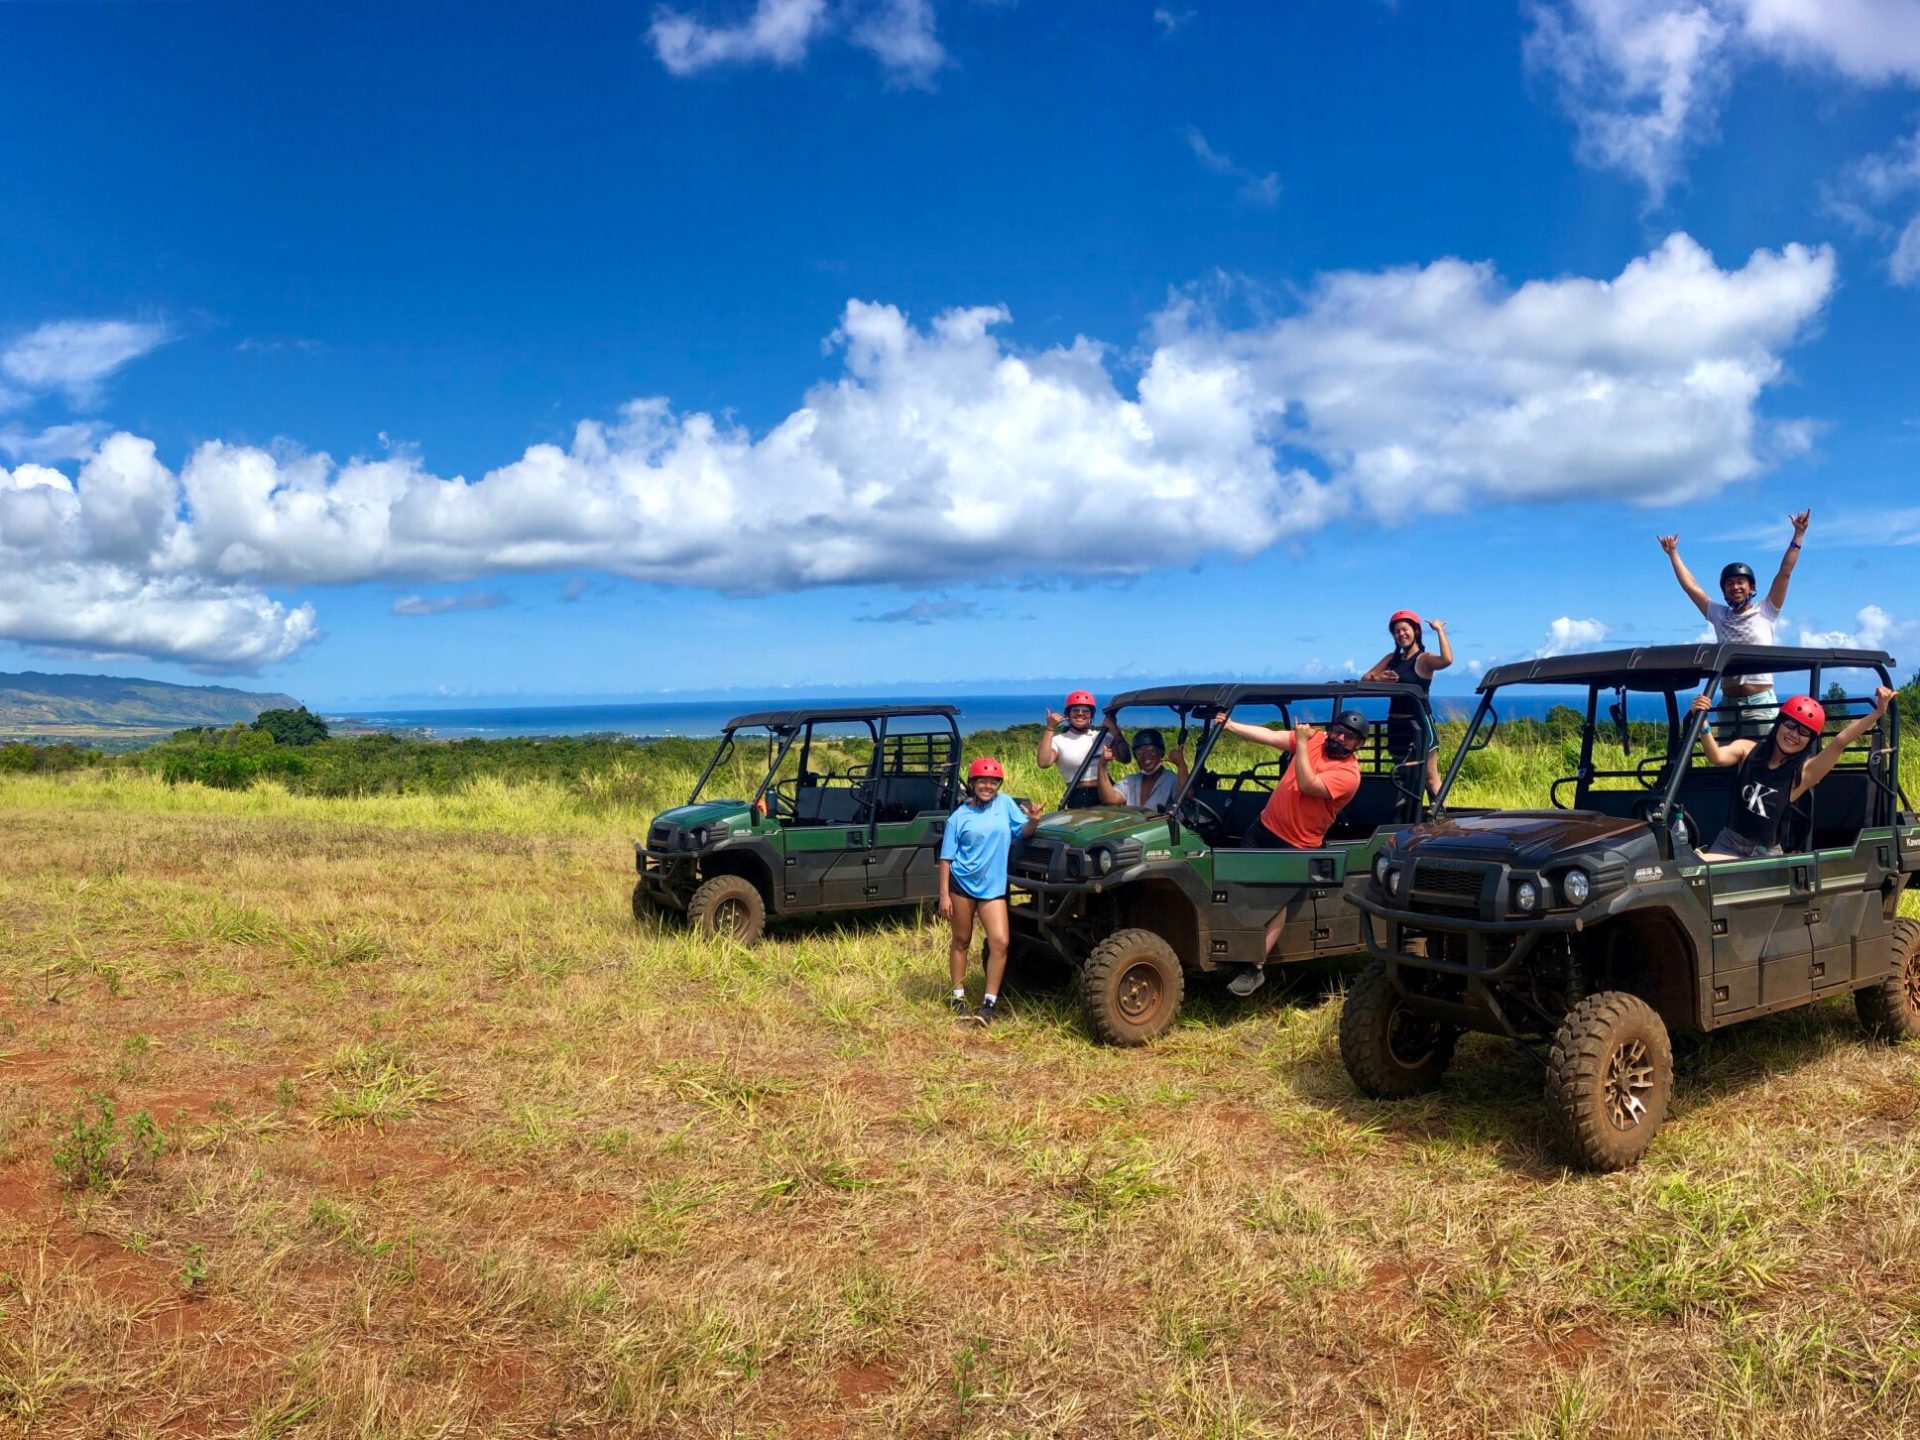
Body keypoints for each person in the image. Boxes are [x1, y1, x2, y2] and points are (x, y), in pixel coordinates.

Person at [1208, 708, 1367, 995]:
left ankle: (1254, 966)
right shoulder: (1315, 739)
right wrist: (1231, 726)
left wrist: (1302, 743)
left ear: (1359, 744)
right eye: (1338, 731)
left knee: (1274, 900)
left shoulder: (1349, 774)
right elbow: (1271, 736)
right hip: (1264, 827)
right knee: (1236, 887)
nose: (1341, 738)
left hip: (1296, 845)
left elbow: (1308, 784)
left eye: (1349, 737)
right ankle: (1230, 947)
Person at [1685, 686, 1895, 859]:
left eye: (1804, 732)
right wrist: (1704, 724)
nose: (1794, 734)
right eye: (1791, 724)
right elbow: (1717, 757)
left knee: (1699, 867)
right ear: (1779, 723)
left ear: (1809, 740)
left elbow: (1840, 741)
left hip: (1762, 855)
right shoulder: (1748, 750)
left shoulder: (1802, 773)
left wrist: (1877, 712)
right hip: (1728, 842)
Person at [1659, 511, 1810, 737]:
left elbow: (1784, 574)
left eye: (1741, 582)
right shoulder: (1718, 614)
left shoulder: (1766, 610)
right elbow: (1691, 588)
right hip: (1728, 702)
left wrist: (1798, 534)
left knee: (1761, 755)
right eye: (1729, 583)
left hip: (1760, 702)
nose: (1735, 587)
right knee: (1724, 758)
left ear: (1751, 587)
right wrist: (1673, 554)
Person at [938, 756, 1045, 1024]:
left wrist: (1033, 821)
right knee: (961, 940)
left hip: (993, 887)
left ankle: (989, 1003)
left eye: (993, 782)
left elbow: (1022, 832)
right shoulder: (958, 817)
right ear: (973, 783)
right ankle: (958, 996)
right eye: (982, 781)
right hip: (962, 885)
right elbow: (946, 858)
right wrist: (944, 895)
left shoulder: (1005, 805)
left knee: (1000, 942)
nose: (988, 786)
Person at [1362, 610, 1452, 798]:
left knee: (1429, 777)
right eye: (1396, 631)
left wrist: (1439, 630)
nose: (1401, 634)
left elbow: (1447, 660)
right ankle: (1411, 814)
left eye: (1405, 629)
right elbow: (1366, 679)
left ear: (1416, 631)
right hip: (1396, 726)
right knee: (1404, 776)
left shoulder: (1424, 659)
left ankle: (1441, 814)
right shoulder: (1391, 659)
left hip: (1418, 724)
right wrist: (1379, 679)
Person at [1036, 690, 1128, 808]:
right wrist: (1050, 728)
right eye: (1075, 710)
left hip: (1107, 792)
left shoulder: (1102, 737)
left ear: (1091, 715)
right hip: (1078, 796)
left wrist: (1114, 729)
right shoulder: (1058, 741)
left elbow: (1125, 758)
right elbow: (1043, 763)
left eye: (1085, 711)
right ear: (1068, 714)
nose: (1080, 713)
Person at [1094, 728, 1189, 812]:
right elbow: (1110, 799)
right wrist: (1102, 765)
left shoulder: (1172, 779)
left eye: (1151, 750)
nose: (1145, 755)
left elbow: (1186, 799)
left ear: (1161, 752)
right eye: (1139, 752)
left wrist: (1181, 765)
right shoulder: (1131, 780)